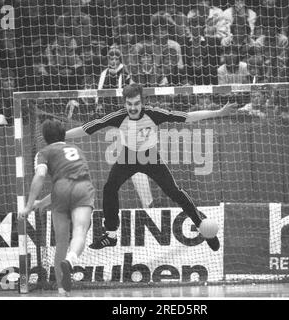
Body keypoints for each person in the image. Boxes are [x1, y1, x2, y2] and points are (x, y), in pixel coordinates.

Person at [66, 83, 234, 251]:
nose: (133, 108)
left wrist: (218, 113)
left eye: (137, 103)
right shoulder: (118, 116)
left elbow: (188, 116)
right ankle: (110, 235)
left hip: (150, 157)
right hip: (128, 157)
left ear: (142, 102)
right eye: (129, 104)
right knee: (110, 188)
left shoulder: (153, 114)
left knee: (174, 192)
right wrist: (63, 135)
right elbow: (86, 129)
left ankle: (203, 228)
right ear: (124, 103)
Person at [18, 119, 95, 295]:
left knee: (61, 242)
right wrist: (41, 203)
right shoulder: (77, 150)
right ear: (63, 134)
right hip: (83, 188)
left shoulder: (44, 152)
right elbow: (73, 179)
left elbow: (41, 176)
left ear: (45, 137)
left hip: (60, 190)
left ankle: (62, 288)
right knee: (80, 231)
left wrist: (30, 205)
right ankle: (71, 259)